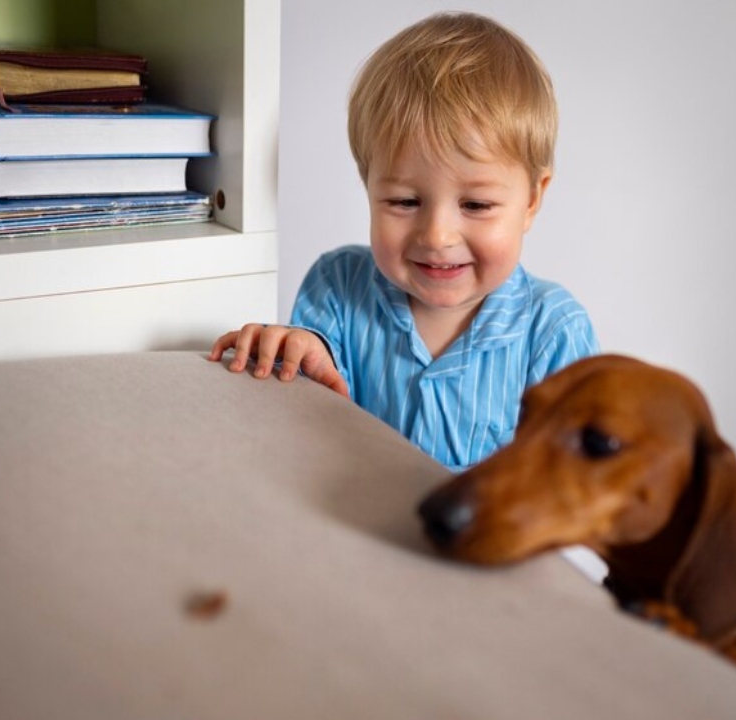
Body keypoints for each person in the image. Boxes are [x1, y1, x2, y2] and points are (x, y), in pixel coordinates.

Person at [209, 11, 599, 471]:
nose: (436, 236)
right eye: (404, 201)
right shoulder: (336, 286)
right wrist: (290, 357)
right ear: (368, 185)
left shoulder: (554, 332)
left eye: (475, 206)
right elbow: (301, 433)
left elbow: (571, 485)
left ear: (532, 201)